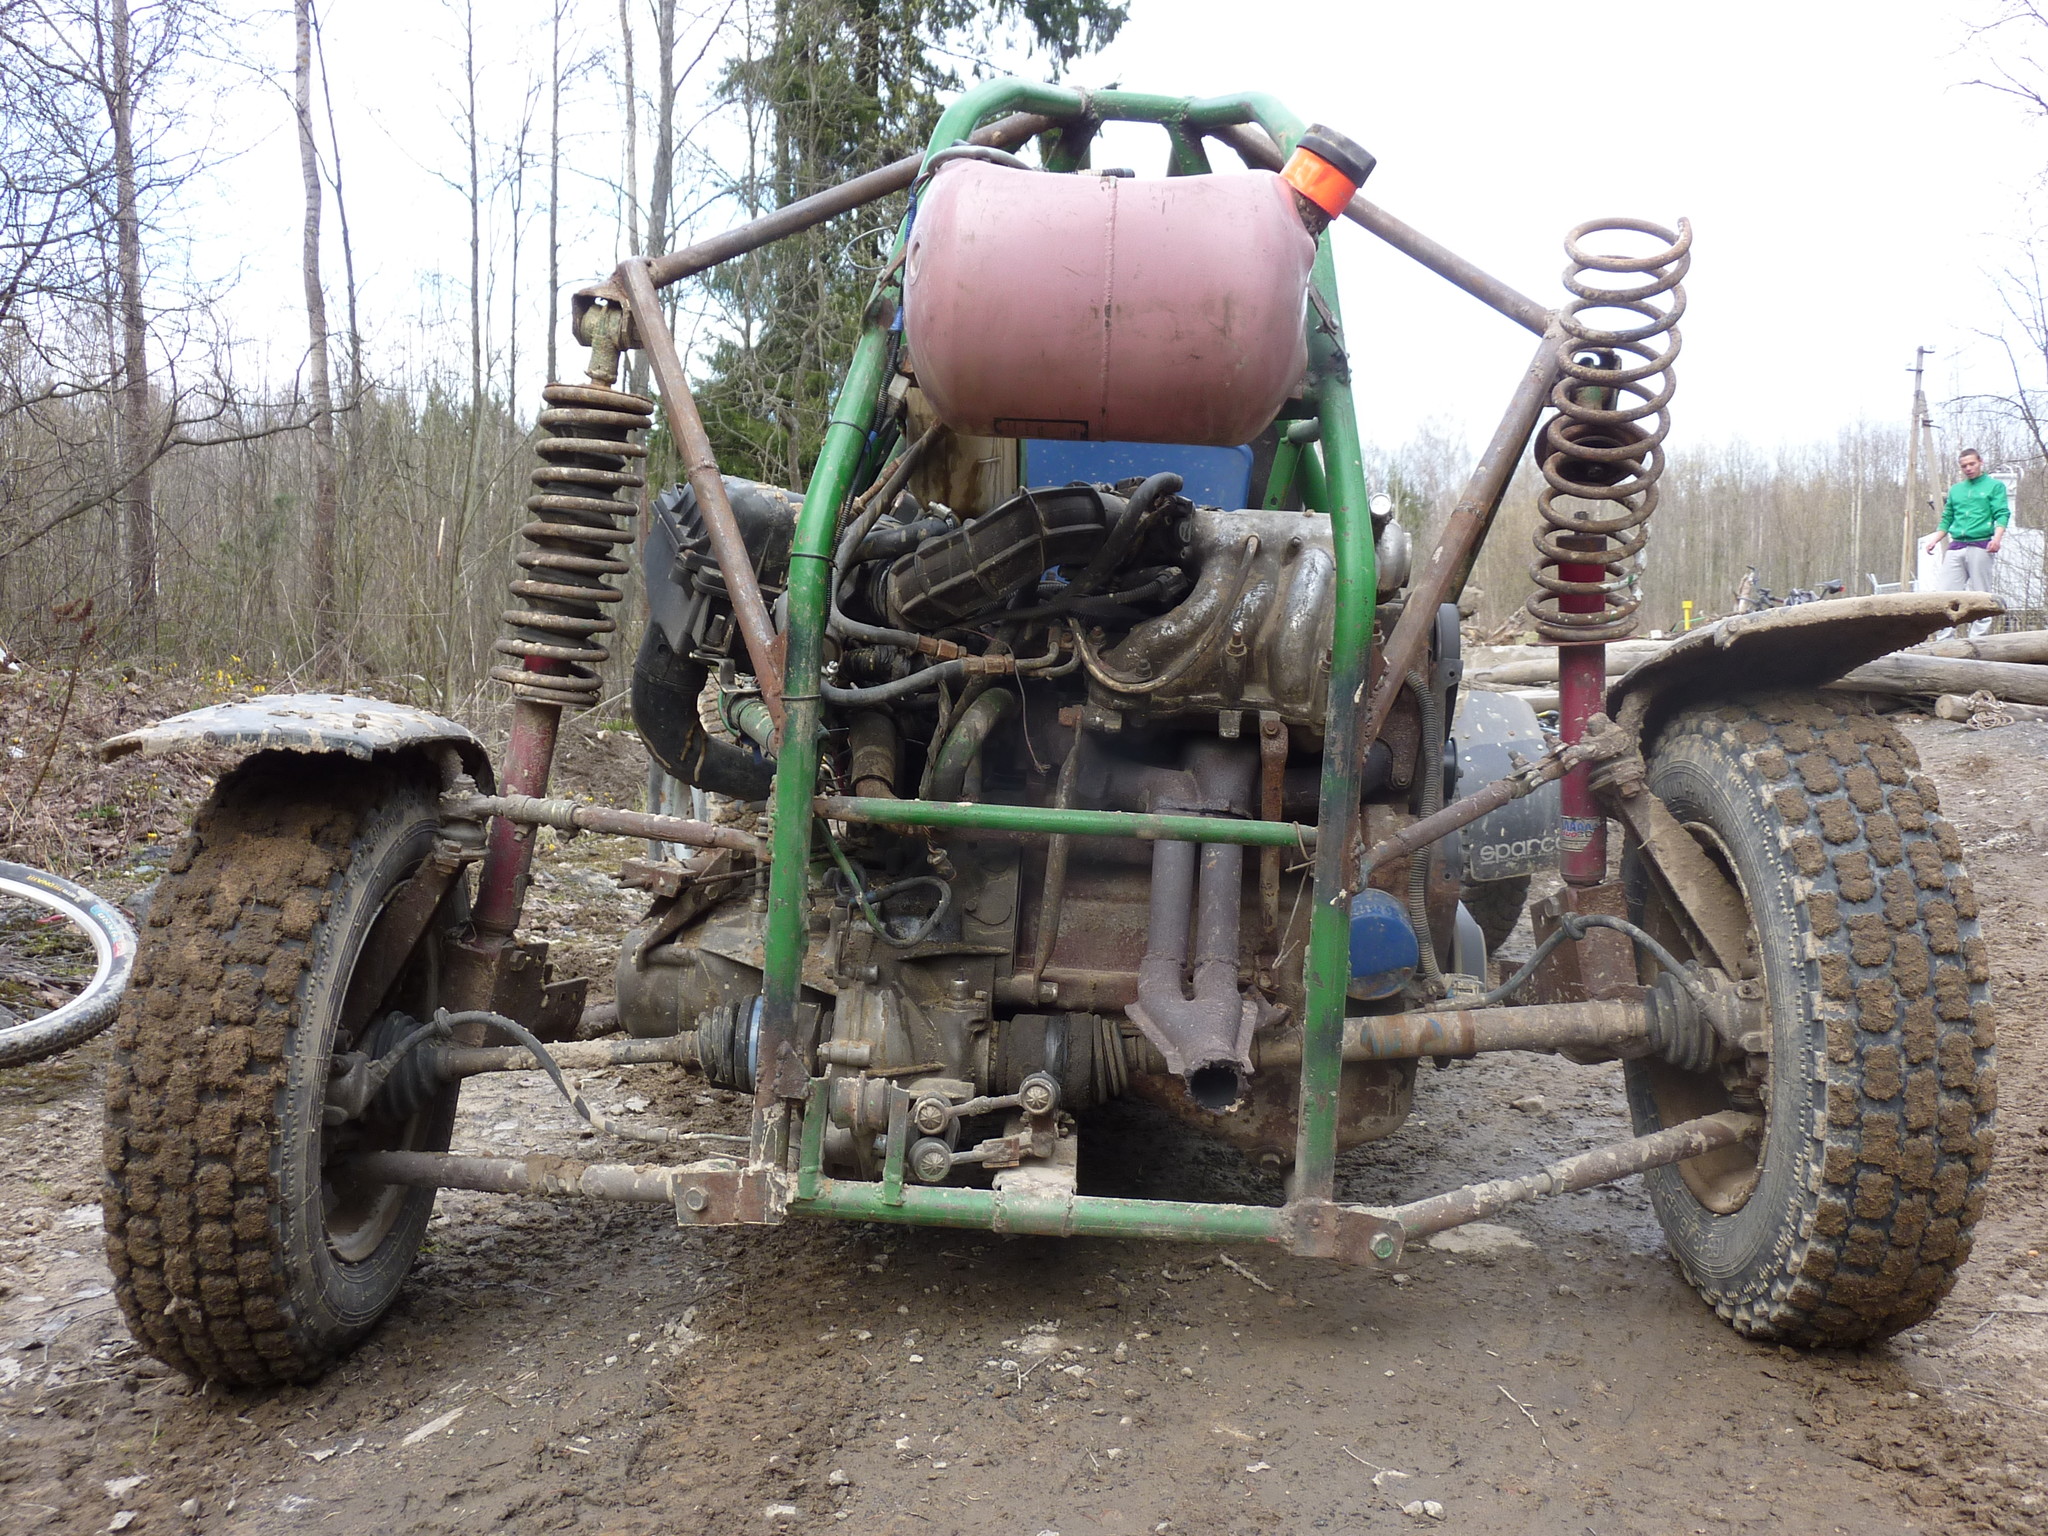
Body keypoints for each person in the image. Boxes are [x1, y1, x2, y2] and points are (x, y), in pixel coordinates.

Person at [1925, 448, 2010, 637]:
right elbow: (1947, 518)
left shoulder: (1994, 486)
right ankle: (1944, 641)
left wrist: (1997, 539)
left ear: (1980, 462)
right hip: (1957, 545)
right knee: (1945, 596)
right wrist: (1934, 540)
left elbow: (2002, 514)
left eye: (1972, 464)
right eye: (1964, 466)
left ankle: (1978, 640)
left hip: (1981, 544)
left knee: (1981, 596)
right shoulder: (1956, 490)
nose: (1969, 468)